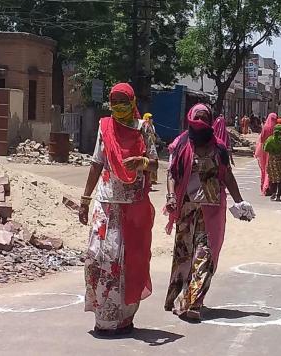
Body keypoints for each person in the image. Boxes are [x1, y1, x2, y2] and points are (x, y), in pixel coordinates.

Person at [78, 83, 158, 337]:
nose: (118, 106)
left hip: (132, 206)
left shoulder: (144, 128)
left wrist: (142, 162)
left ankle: (122, 318)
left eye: (123, 101)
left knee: (126, 263)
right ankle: (103, 316)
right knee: (98, 258)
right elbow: (96, 163)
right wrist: (85, 198)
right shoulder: (105, 127)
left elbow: (155, 163)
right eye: (114, 101)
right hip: (106, 203)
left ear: (133, 102)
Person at [164, 104, 253, 321]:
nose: (201, 122)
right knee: (184, 255)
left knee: (204, 255)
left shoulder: (219, 148)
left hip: (211, 210)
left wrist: (241, 202)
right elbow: (171, 173)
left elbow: (227, 176)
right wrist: (170, 196)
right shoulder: (181, 143)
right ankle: (177, 296)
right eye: (198, 118)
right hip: (186, 208)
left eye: (205, 118)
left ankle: (193, 302)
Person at [263, 123, 281, 201]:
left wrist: (272, 151)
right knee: (280, 180)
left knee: (272, 178)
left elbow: (265, 148)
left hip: (272, 163)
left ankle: (273, 193)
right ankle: (278, 196)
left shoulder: (270, 139)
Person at [255, 113, 278, 196]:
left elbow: (261, 139)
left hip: (264, 150)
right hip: (273, 151)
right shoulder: (276, 128)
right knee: (271, 169)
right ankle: (269, 187)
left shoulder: (265, 127)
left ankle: (264, 186)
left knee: (264, 169)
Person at [142, 113, 161, 185]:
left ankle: (151, 179)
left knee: (153, 161)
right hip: (146, 146)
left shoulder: (152, 126)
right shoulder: (144, 125)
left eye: (151, 118)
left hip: (151, 145)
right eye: (149, 118)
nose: (151, 119)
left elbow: (153, 135)